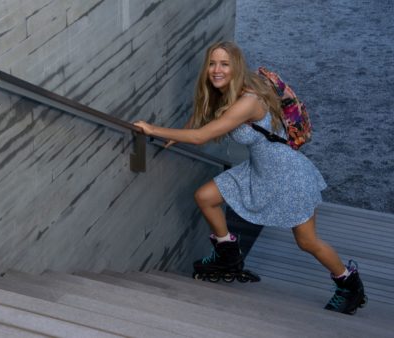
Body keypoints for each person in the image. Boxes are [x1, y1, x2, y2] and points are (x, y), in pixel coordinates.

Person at [134, 41, 366, 315]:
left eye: (224, 64)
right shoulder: (229, 89)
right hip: (260, 169)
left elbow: (201, 136)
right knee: (205, 197)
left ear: (236, 67)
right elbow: (202, 118)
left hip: (288, 176)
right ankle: (228, 255)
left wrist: (153, 129)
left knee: (307, 242)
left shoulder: (248, 100)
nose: (216, 70)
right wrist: (178, 132)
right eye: (212, 63)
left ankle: (349, 286)